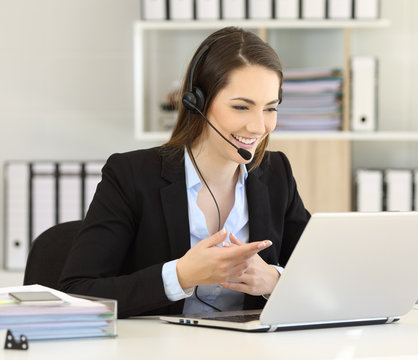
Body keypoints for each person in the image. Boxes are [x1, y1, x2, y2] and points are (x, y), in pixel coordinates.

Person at [59, 27, 311, 318]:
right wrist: (179, 276)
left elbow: (321, 279)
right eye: (241, 107)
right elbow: (77, 293)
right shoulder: (130, 175)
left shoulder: (276, 172)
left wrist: (275, 282)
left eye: (270, 108)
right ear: (198, 103)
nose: (258, 126)